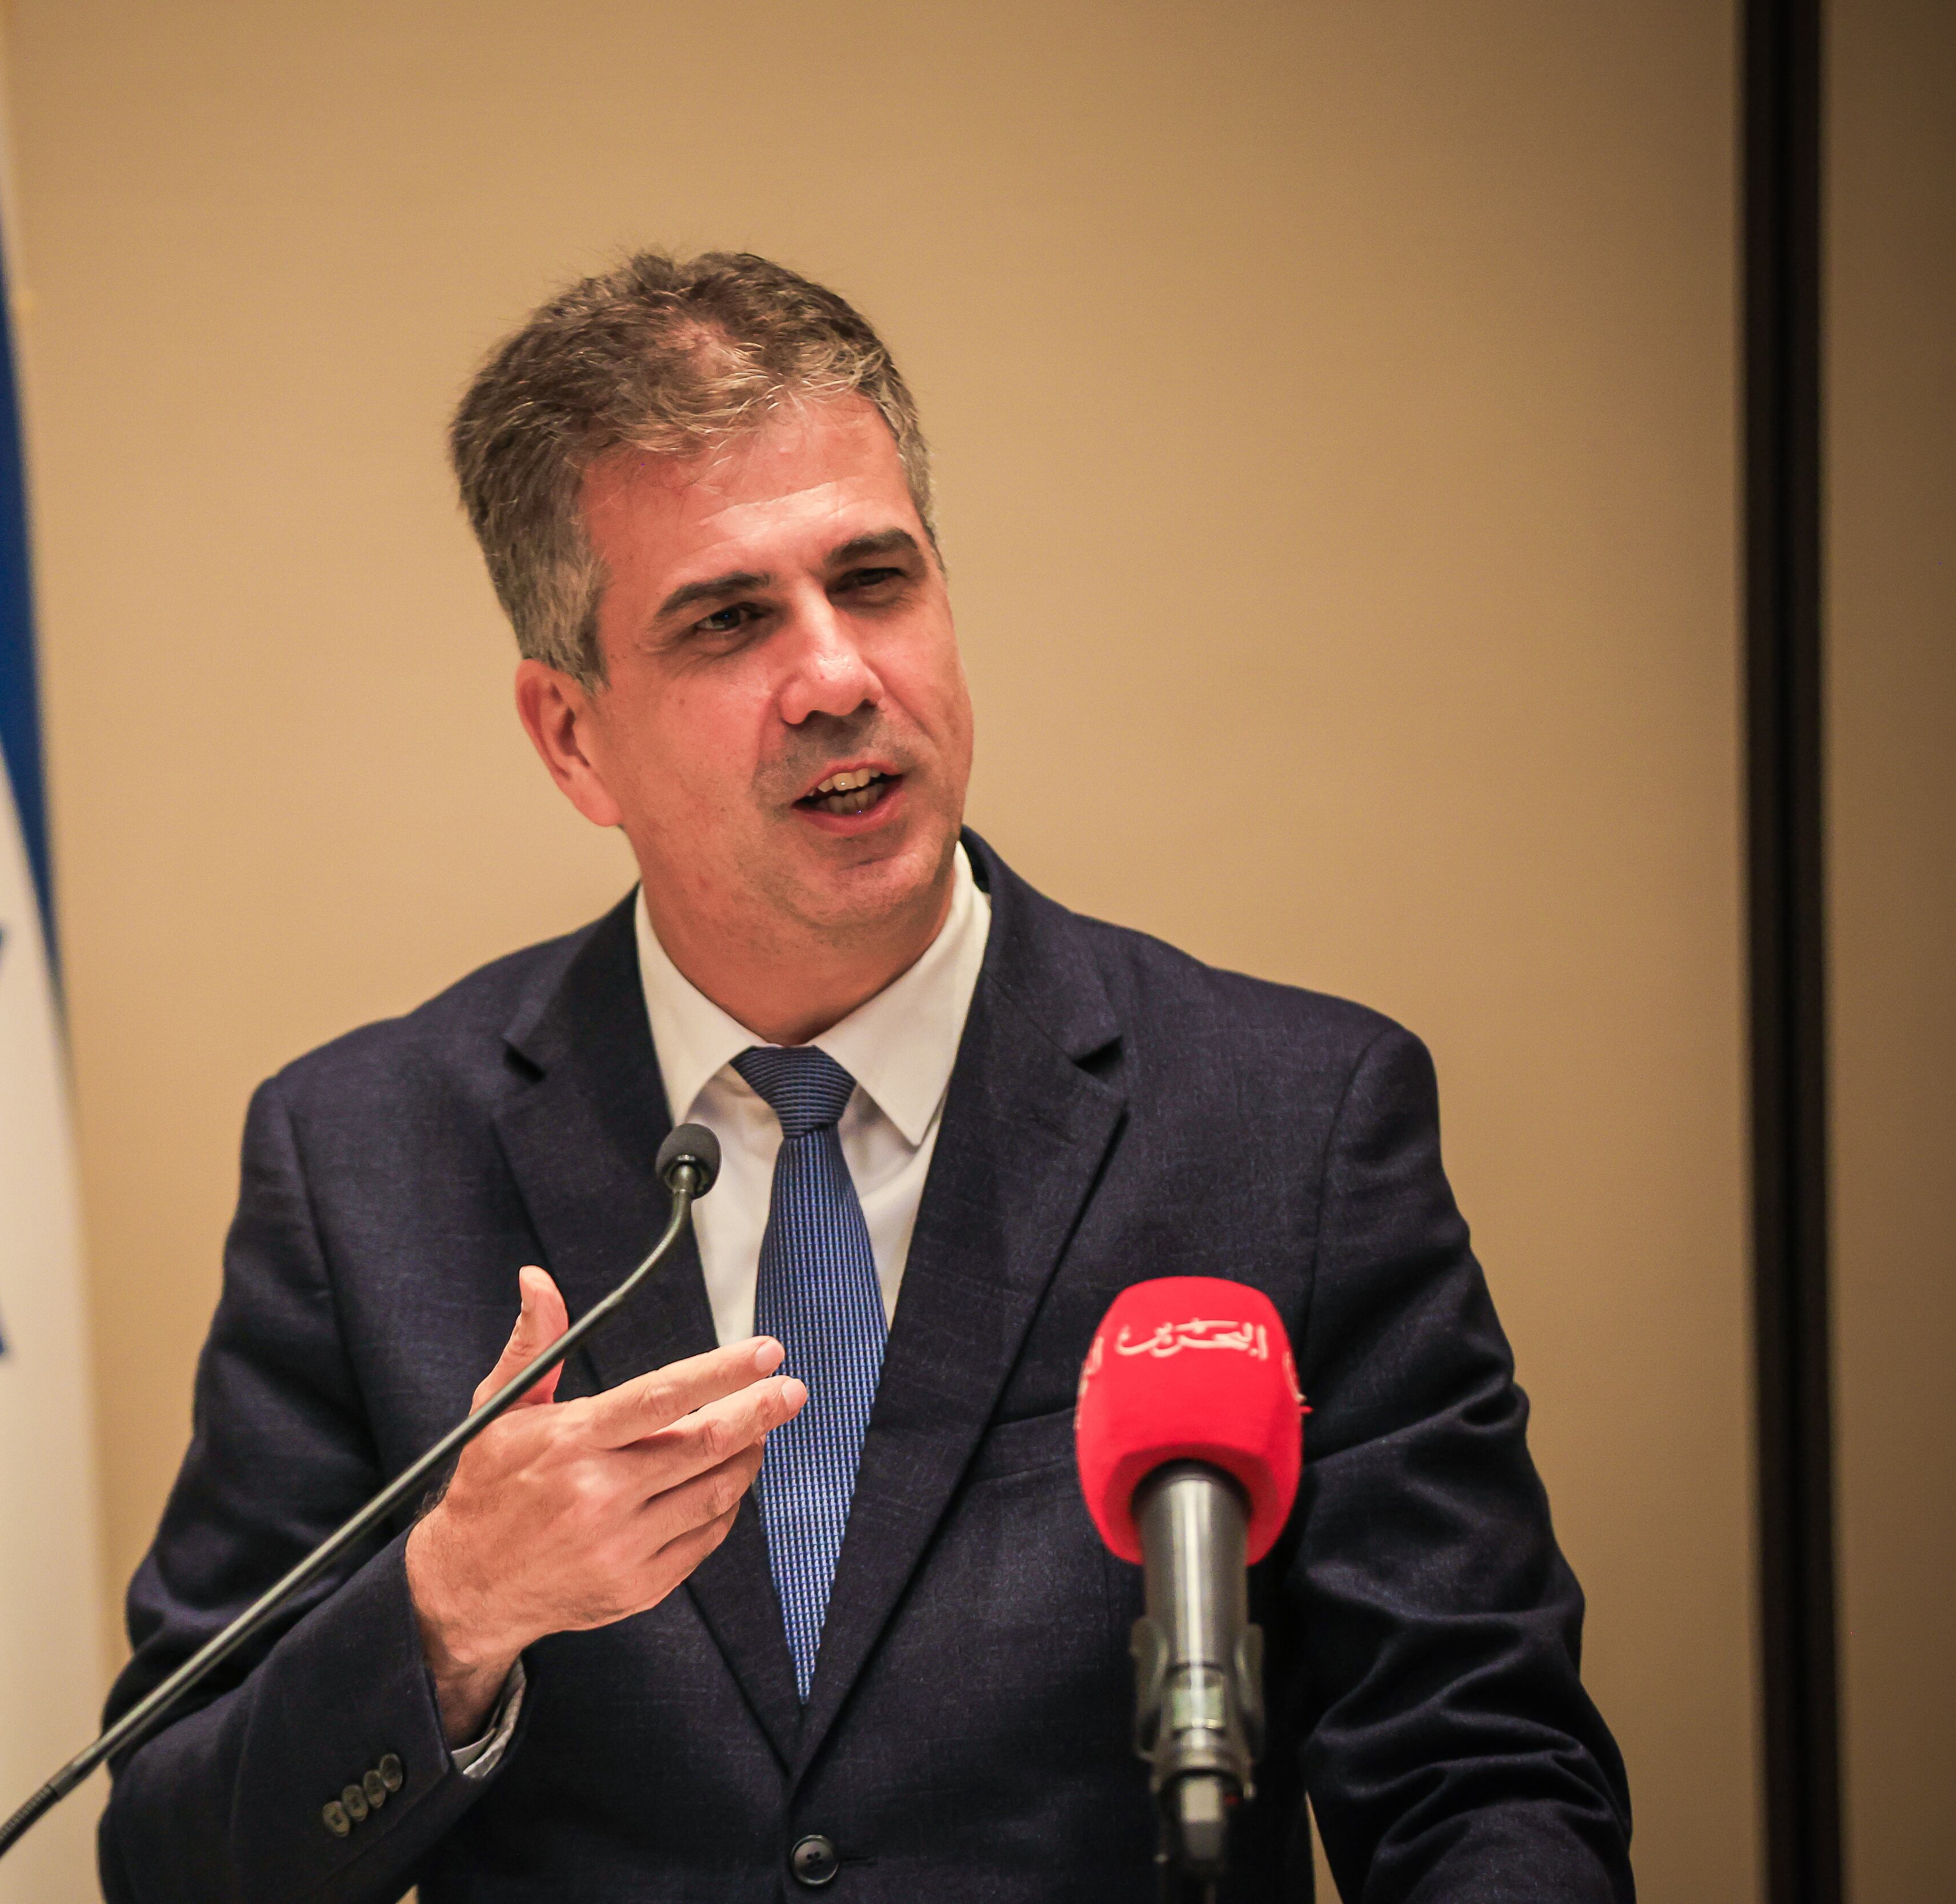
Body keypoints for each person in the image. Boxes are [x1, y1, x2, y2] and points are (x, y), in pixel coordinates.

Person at [95, 251, 1633, 1902]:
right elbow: (179, 1860)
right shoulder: (369, 1164)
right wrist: (455, 1608)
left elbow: (1485, 1781)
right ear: (570, 736)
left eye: (876, 580)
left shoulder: (1289, 1127)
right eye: (730, 619)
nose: (837, 677)